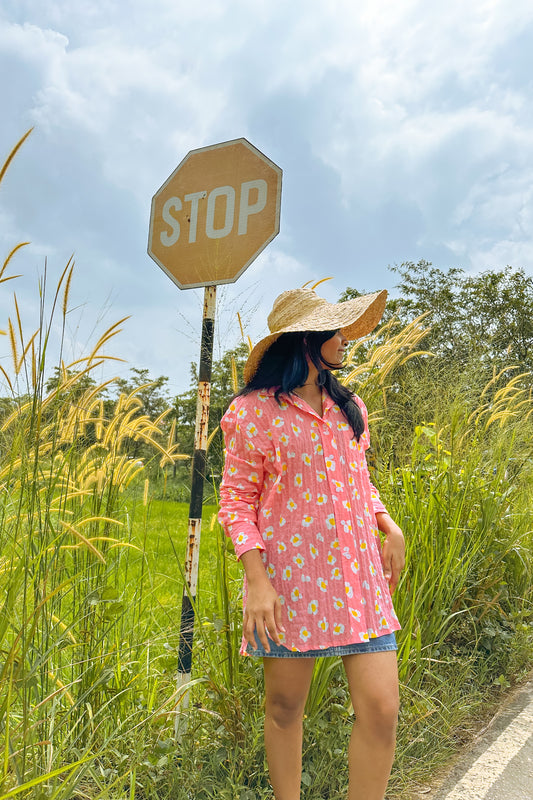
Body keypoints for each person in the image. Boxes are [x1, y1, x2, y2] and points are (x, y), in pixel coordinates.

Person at [218, 285, 406, 800]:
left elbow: (357, 483)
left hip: (357, 579)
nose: (346, 339)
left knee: (382, 710)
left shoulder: (351, 408)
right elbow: (235, 502)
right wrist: (256, 581)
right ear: (307, 338)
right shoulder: (252, 412)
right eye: (336, 330)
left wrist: (389, 524)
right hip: (288, 584)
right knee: (283, 707)